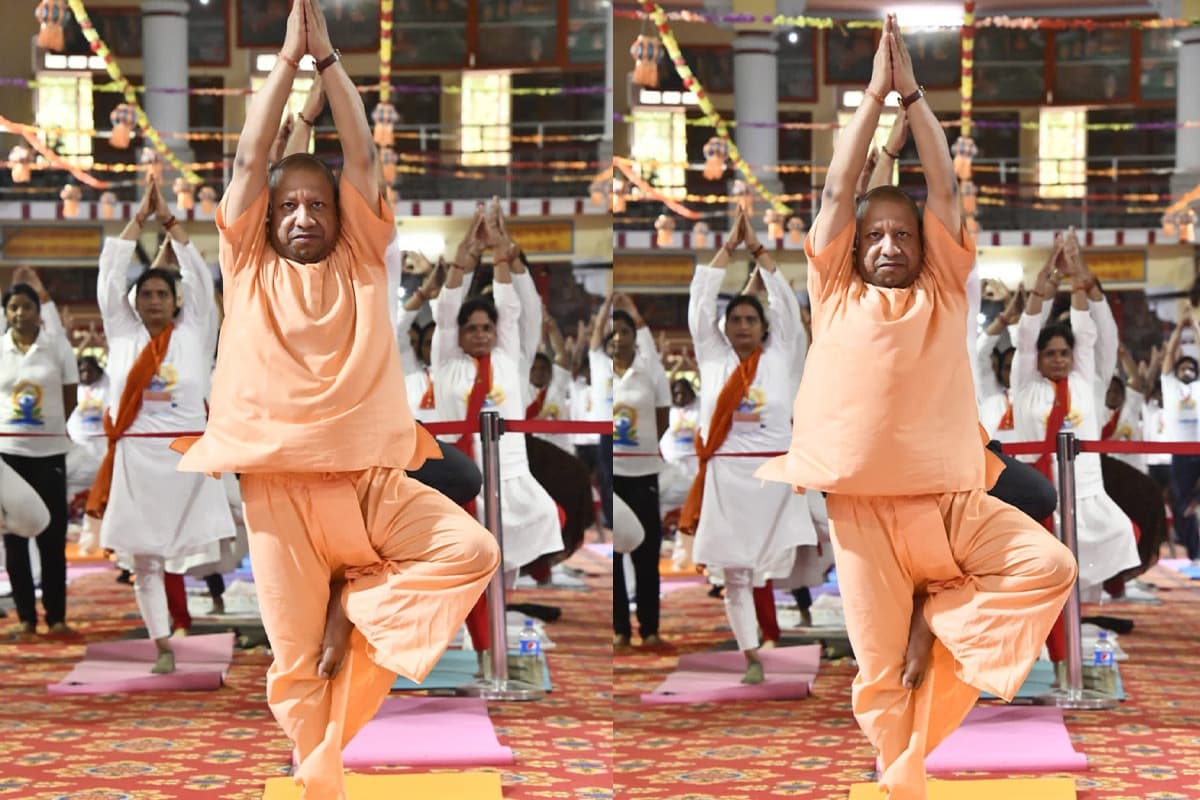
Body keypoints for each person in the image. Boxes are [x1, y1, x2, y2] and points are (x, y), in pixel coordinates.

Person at [173, 2, 499, 796]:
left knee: (472, 551)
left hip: (368, 481)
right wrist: (283, 63)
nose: (303, 215)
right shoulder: (248, 264)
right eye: (289, 207)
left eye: (318, 204)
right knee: (297, 668)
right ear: (265, 220)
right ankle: (319, 777)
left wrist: (331, 66)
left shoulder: (362, 261)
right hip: (277, 495)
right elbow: (253, 159)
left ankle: (355, 612)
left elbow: (361, 155)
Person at [756, 17, 1076, 800]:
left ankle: (941, 629)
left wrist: (917, 100)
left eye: (904, 234)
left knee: (1050, 565)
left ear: (925, 248)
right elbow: (838, 189)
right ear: (855, 247)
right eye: (878, 236)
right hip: (861, 512)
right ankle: (903, 781)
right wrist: (872, 98)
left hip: (951, 499)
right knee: (879, 673)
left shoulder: (943, 290)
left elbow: (947, 185)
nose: (892, 244)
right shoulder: (832, 290)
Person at [90, 178, 236, 672]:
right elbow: (109, 279)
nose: (153, 301)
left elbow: (196, 275)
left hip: (188, 458)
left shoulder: (195, 329)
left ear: (176, 303)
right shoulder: (124, 335)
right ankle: (163, 645)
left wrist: (171, 223)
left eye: (161, 294)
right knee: (144, 561)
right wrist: (135, 223)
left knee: (229, 540)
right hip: (136, 459)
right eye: (146, 294)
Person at [683, 206, 815, 680]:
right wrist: (725, 251)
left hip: (777, 477)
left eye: (749, 320)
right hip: (726, 477)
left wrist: (759, 250)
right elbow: (700, 305)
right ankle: (751, 653)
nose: (741, 326)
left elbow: (784, 305)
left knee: (822, 543)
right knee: (735, 572)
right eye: (734, 319)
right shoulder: (713, 358)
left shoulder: (781, 354)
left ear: (763, 330)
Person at [1013, 231, 1141, 605]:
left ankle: (1079, 646)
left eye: (1064, 353)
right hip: (1038, 498)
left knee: (1086, 592)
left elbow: (1087, 336)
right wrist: (1044, 283)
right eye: (1049, 353)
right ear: (1037, 359)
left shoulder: (1086, 382)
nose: (1058, 359)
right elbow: (1025, 336)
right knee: (1039, 592)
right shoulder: (1026, 386)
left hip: (1087, 497)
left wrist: (1077, 283)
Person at [0, 267, 78, 638]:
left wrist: (51, 427)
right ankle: (26, 619)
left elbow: (70, 395)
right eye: (12, 308)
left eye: (26, 307)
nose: (19, 314)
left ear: (37, 311)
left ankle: (57, 617)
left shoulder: (56, 346)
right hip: (8, 455)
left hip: (50, 453)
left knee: (52, 537)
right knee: (14, 538)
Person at [607, 292, 670, 648]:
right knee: (616, 553)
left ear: (633, 337)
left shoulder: (650, 371)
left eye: (625, 331)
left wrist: (634, 311)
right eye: (612, 332)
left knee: (648, 553)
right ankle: (619, 629)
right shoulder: (602, 374)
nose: (619, 337)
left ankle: (650, 628)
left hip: (644, 473)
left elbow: (663, 416)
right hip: (612, 474)